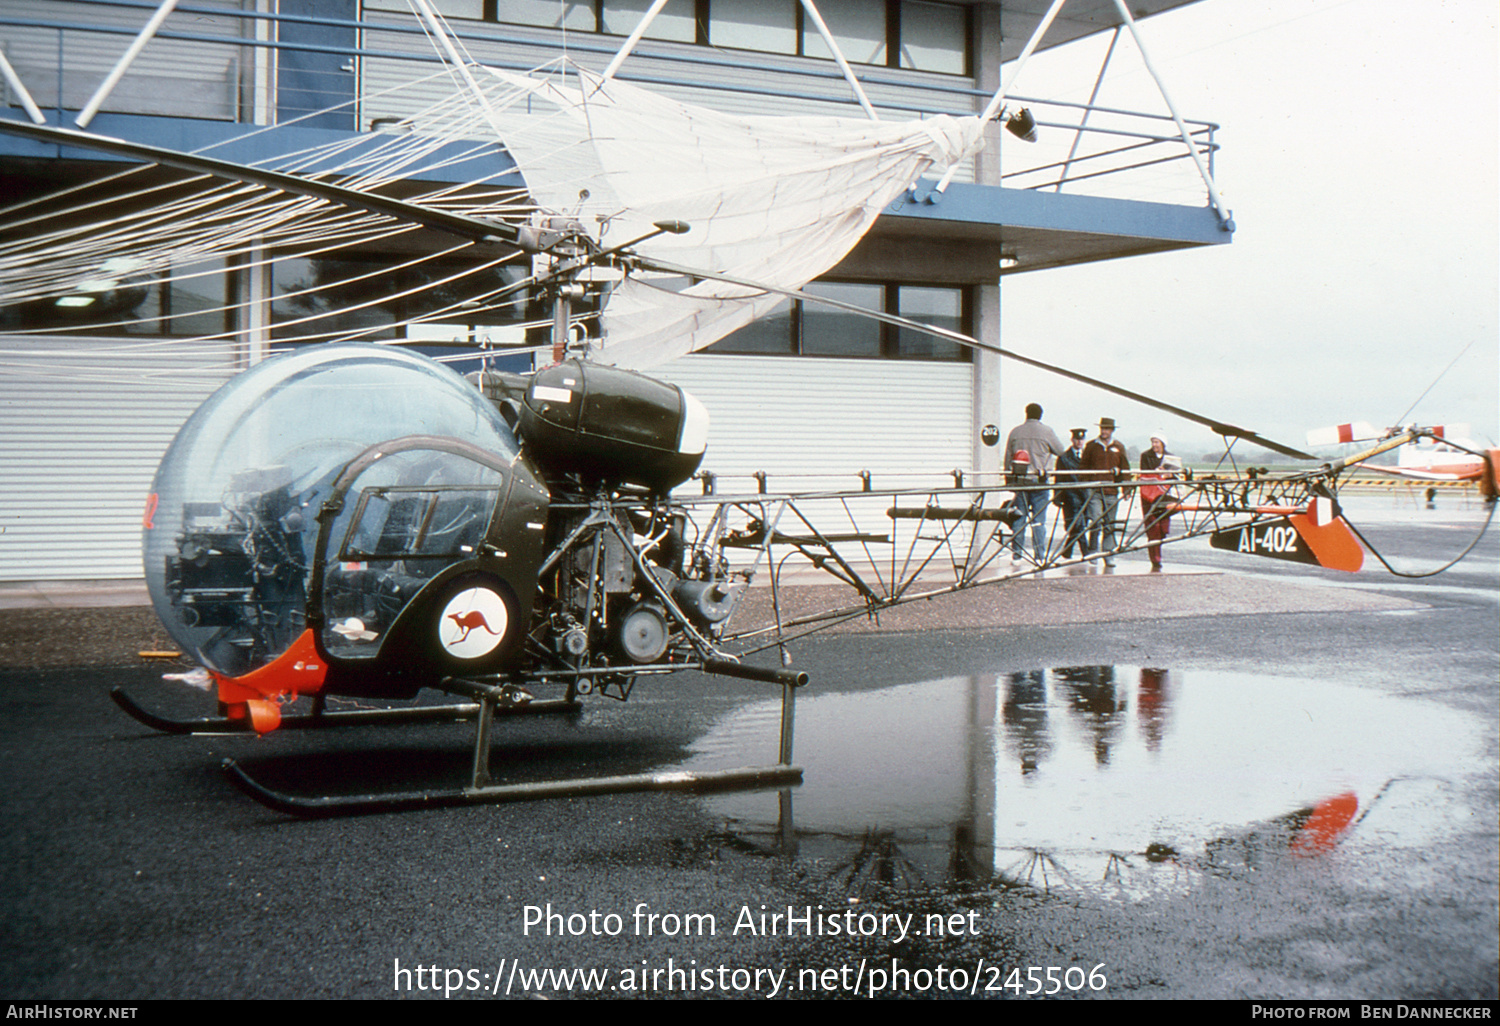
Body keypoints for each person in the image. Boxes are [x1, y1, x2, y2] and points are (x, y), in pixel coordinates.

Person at [1003, 403, 1065, 564]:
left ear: (1026, 413)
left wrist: (1009, 481)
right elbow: (1061, 451)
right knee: (1039, 521)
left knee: (1019, 519)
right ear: (1041, 415)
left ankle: (1017, 555)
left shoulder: (1015, 432)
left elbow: (1008, 458)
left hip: (1021, 483)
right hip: (1040, 483)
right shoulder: (1047, 431)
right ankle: (1039, 556)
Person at [1082, 416, 1130, 566]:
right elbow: (1083, 468)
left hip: (1111, 491)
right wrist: (1085, 487)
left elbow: (1125, 469)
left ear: (1112, 430)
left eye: (1107, 428)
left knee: (1109, 523)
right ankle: (1093, 552)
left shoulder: (1119, 447)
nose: (1104, 431)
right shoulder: (1091, 446)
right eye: (1102, 428)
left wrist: (1126, 488)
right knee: (1096, 520)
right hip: (1095, 490)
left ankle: (1108, 554)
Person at [1138, 432, 1180, 570]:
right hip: (1149, 495)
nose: (1155, 445)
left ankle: (1158, 553)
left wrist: (1170, 475)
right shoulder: (1146, 456)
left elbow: (1176, 476)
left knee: (1163, 527)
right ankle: (1155, 559)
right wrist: (1156, 472)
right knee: (1153, 527)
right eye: (1153, 442)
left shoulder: (1171, 458)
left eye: (1157, 442)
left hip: (1165, 494)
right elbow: (1144, 474)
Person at [1053, 427, 1090, 558]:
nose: (1079, 442)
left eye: (1081, 439)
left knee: (1079, 525)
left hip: (1085, 495)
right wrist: (1057, 496)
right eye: (1077, 439)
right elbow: (1058, 478)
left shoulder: (1087, 456)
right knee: (1076, 524)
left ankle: (1067, 551)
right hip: (1070, 496)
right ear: (1072, 440)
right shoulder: (1064, 458)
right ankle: (1086, 552)